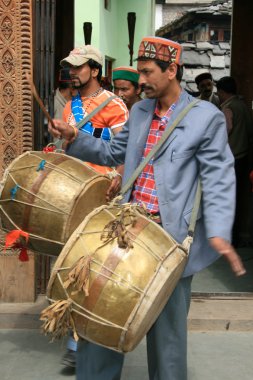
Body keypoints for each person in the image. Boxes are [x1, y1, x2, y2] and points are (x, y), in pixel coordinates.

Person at [49, 36, 245, 380]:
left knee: (166, 340)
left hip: (169, 242)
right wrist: (73, 137)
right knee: (100, 318)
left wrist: (217, 231)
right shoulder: (139, 111)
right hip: (125, 231)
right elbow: (112, 154)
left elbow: (219, 177)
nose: (140, 81)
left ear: (171, 71)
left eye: (147, 72)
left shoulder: (205, 118)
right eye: (139, 72)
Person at [58, 44, 128, 369]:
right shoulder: (69, 106)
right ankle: (76, 338)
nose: (73, 72)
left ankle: (85, 341)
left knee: (95, 266)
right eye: (70, 67)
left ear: (95, 70)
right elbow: (66, 147)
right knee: (75, 264)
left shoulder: (115, 105)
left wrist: (118, 178)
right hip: (73, 193)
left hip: (102, 196)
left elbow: (125, 152)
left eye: (79, 66)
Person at [216, 76, 253, 246]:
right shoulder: (243, 105)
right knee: (239, 199)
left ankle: (229, 238)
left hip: (232, 159)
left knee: (228, 199)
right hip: (244, 157)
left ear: (222, 92)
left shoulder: (228, 108)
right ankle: (237, 236)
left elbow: (226, 129)